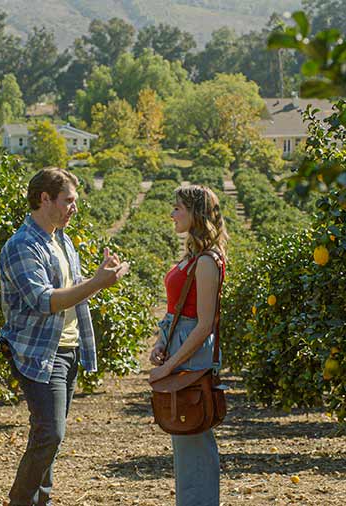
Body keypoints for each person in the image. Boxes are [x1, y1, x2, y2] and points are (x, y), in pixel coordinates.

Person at [0, 167, 130, 506]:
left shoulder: (63, 240)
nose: (74, 208)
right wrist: (97, 282)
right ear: (45, 199)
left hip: (68, 349)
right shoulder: (22, 246)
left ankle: (41, 501)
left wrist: (103, 278)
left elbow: (72, 291)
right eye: (68, 200)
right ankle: (20, 501)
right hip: (40, 353)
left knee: (49, 438)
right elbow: (45, 301)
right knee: (50, 434)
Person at [148, 184, 228, 506]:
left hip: (192, 351)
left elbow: (204, 324)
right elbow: (177, 308)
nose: (172, 214)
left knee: (193, 427)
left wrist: (169, 366)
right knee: (184, 432)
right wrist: (161, 341)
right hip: (180, 345)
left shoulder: (208, 261)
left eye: (178, 208)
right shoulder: (193, 256)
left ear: (196, 214)